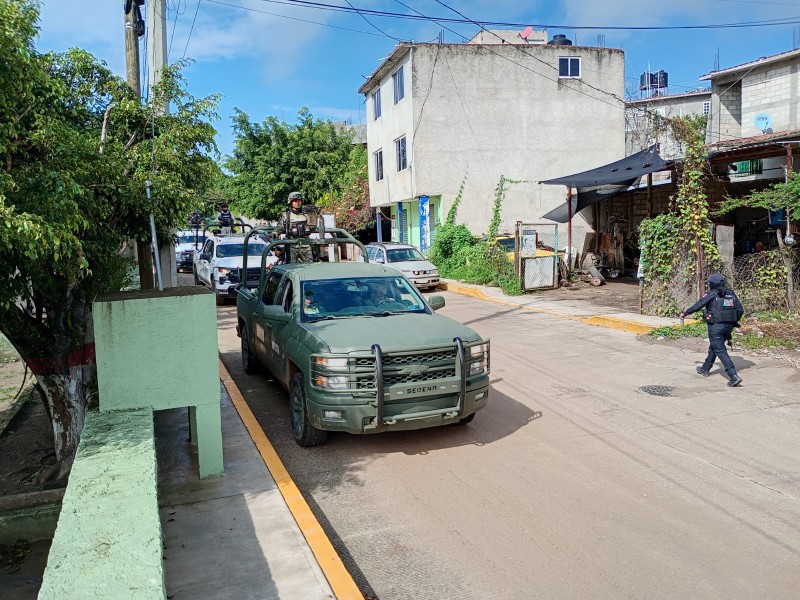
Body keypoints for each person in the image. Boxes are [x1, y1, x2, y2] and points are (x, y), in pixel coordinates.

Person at [679, 273, 744, 387]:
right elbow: (740, 310)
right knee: (714, 347)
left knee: (720, 350)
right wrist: (733, 322)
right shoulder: (730, 294)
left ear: (712, 284)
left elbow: (698, 305)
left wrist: (685, 313)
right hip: (728, 326)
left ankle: (733, 376)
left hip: (716, 326)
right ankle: (705, 368)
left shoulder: (711, 294)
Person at [275, 192, 315, 263]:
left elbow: (313, 227)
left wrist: (313, 217)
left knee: (309, 267)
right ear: (291, 202)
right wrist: (274, 233)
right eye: (295, 201)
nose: (298, 203)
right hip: (292, 246)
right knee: (292, 268)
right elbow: (280, 227)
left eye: (299, 201)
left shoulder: (307, 214)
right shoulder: (286, 215)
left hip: (305, 245)